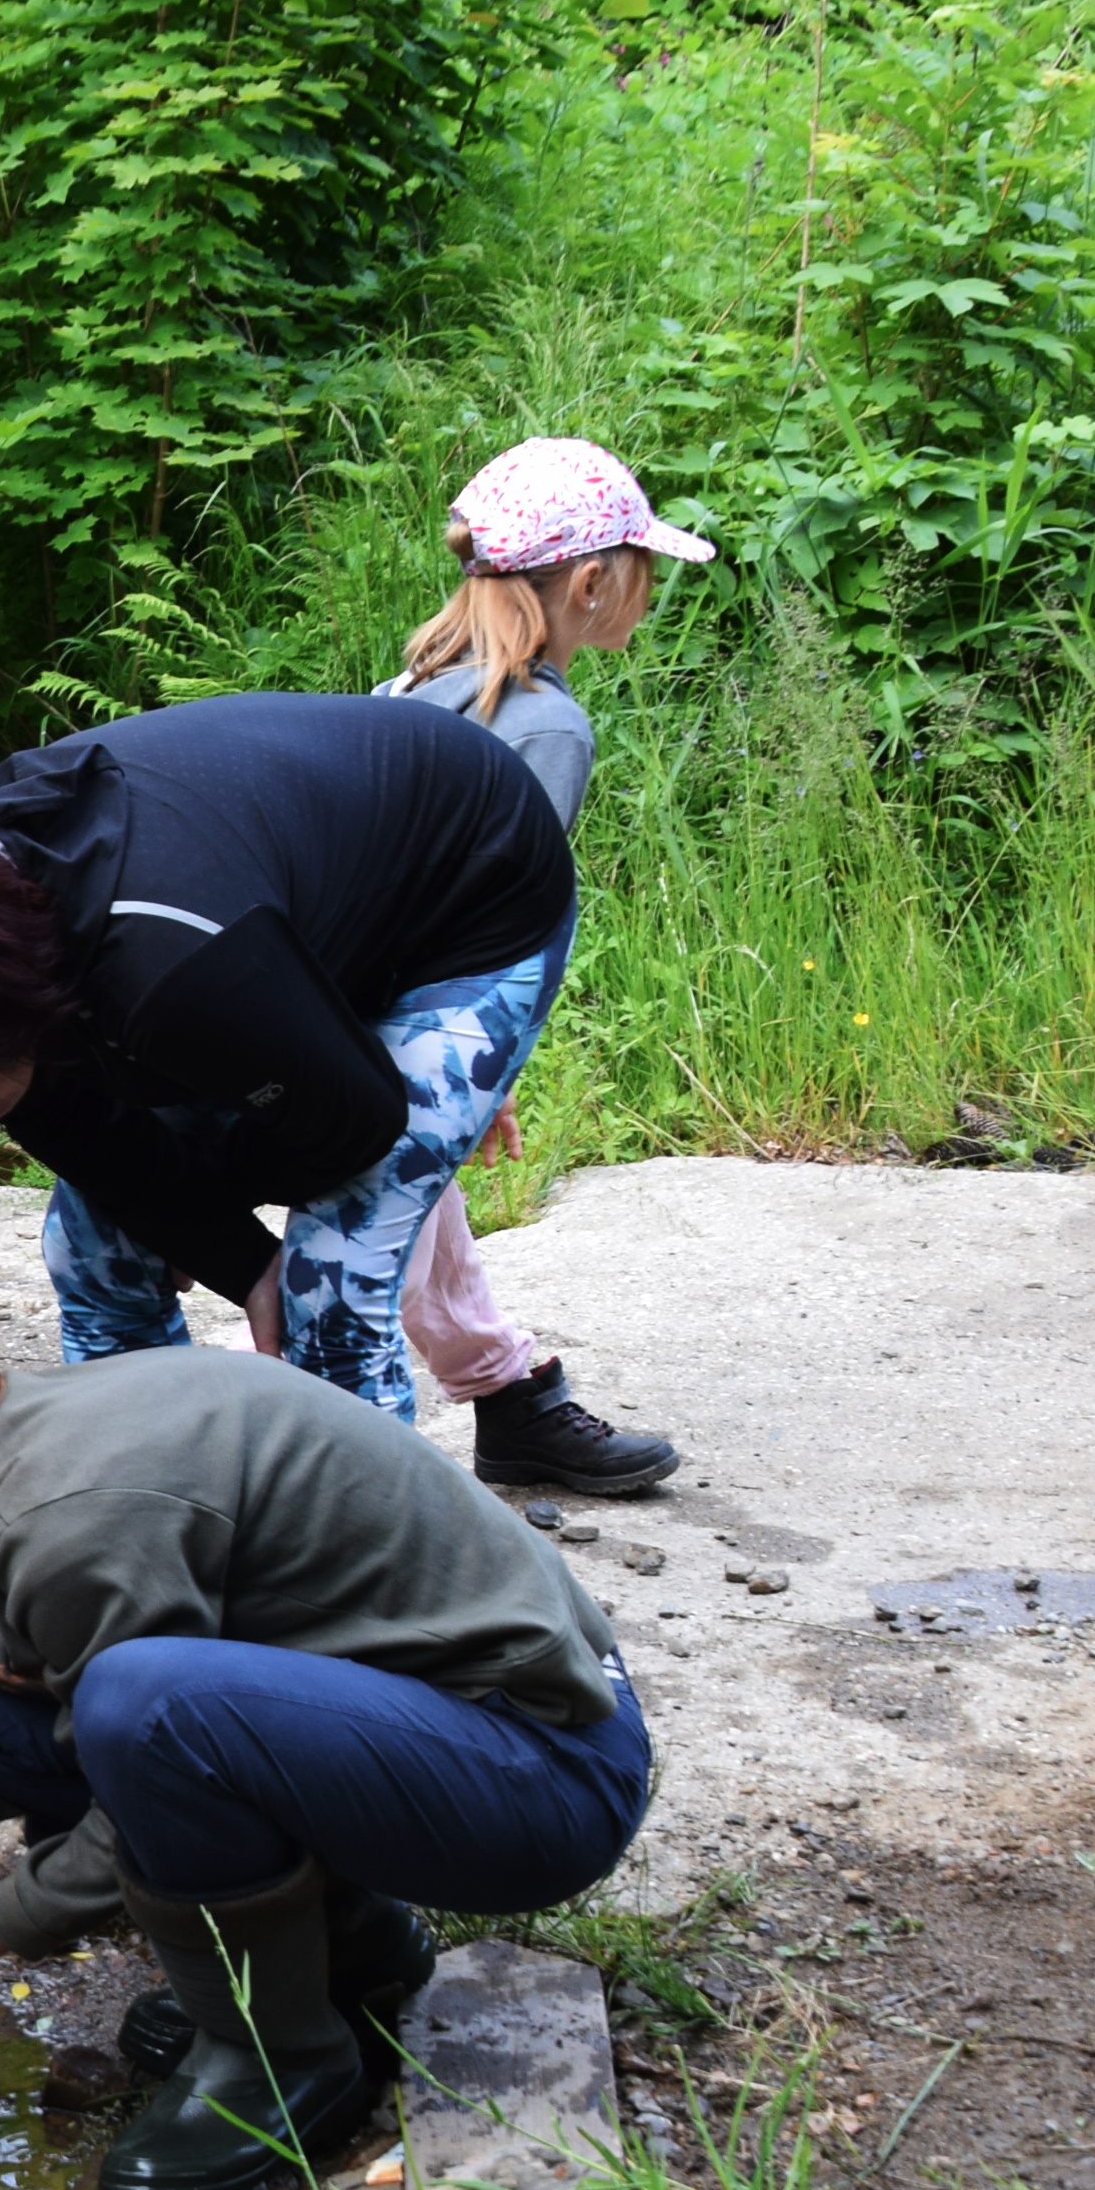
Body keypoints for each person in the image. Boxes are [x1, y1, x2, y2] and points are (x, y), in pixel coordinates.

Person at [0, 1336, 649, 2190]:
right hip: (442, 1729)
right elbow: (94, 1729)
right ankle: (349, 1962)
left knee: (140, 1704)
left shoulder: (58, 1520)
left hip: (542, 1773)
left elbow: (141, 1749)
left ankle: (281, 2061)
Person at [0, 691, 572, 1426]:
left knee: (328, 1283)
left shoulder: (172, 974)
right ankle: (162, 1494)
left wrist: (226, 1237)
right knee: (96, 1253)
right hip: (271, 918)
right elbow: (81, 1135)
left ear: (11, 1018)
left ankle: (375, 1562)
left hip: (467, 888)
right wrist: (232, 1253)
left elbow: (351, 1130)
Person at [372, 439, 699, 1494]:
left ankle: (508, 1396)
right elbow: (501, 924)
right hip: (417, 1022)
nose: (643, 594)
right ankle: (306, 1461)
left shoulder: (404, 690)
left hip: (339, 996)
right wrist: (483, 1069)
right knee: (371, 1244)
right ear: (591, 582)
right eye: (640, 573)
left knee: (417, 1211)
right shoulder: (545, 724)